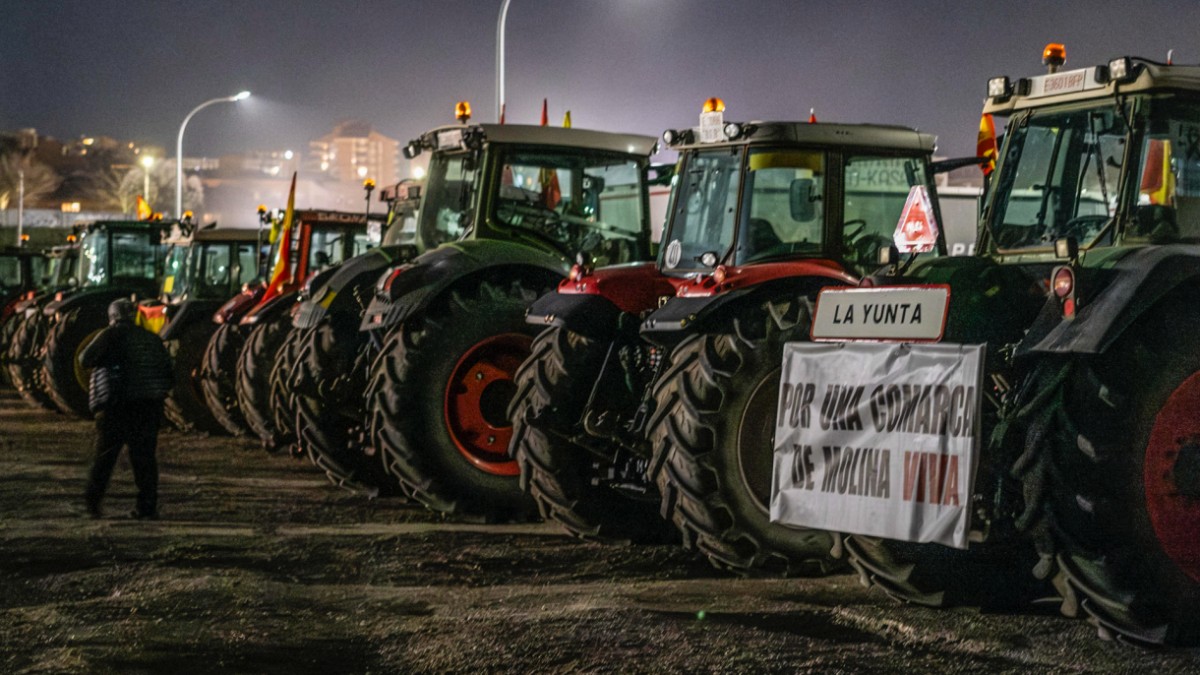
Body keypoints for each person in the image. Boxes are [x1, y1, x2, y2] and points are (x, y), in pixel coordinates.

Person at [79, 298, 174, 519]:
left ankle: (93, 505)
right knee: (145, 460)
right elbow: (168, 374)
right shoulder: (152, 338)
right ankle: (147, 507)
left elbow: (85, 359)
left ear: (112, 317)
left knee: (105, 457)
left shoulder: (109, 335)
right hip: (149, 407)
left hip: (115, 405)